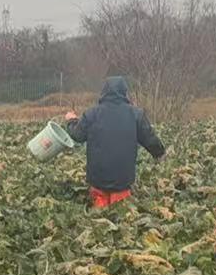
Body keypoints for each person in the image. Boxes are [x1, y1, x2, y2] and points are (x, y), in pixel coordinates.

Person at [64, 75, 165, 209]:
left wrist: (71, 120)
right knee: (120, 215)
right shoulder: (136, 115)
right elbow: (150, 140)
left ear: (104, 92)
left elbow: (77, 135)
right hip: (123, 181)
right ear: (124, 93)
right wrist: (160, 154)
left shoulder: (91, 114)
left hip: (97, 180)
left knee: (99, 215)